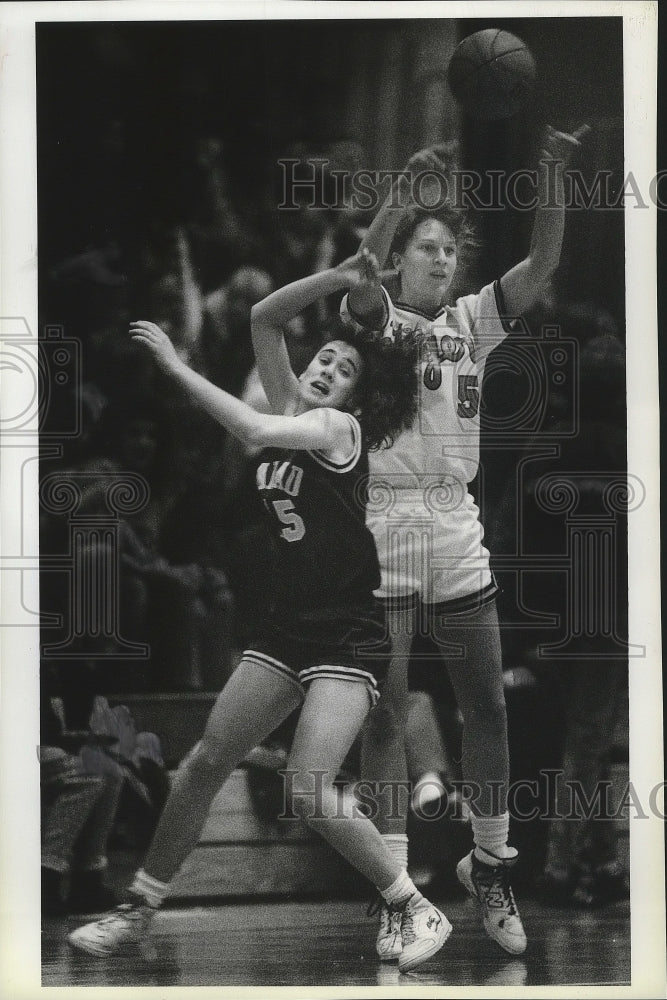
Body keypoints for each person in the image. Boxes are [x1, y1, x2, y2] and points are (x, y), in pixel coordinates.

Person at [67, 254, 452, 973]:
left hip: (346, 633)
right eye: (324, 360)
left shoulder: (335, 429)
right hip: (286, 629)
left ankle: (409, 902)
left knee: (308, 788)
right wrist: (336, 278)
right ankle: (138, 908)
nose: (328, 371)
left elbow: (245, 425)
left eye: (344, 370)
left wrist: (177, 366)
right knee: (207, 758)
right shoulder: (289, 410)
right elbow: (261, 317)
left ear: (353, 396)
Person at [341, 126, 589, 959]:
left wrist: (551, 172)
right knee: (385, 711)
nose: (440, 258)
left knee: (487, 703)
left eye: (449, 248)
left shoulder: (471, 323)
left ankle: (491, 866)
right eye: (426, 246)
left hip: (454, 523)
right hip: (383, 522)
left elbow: (541, 265)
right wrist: (397, 201)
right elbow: (353, 277)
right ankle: (397, 893)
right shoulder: (378, 322)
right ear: (404, 257)